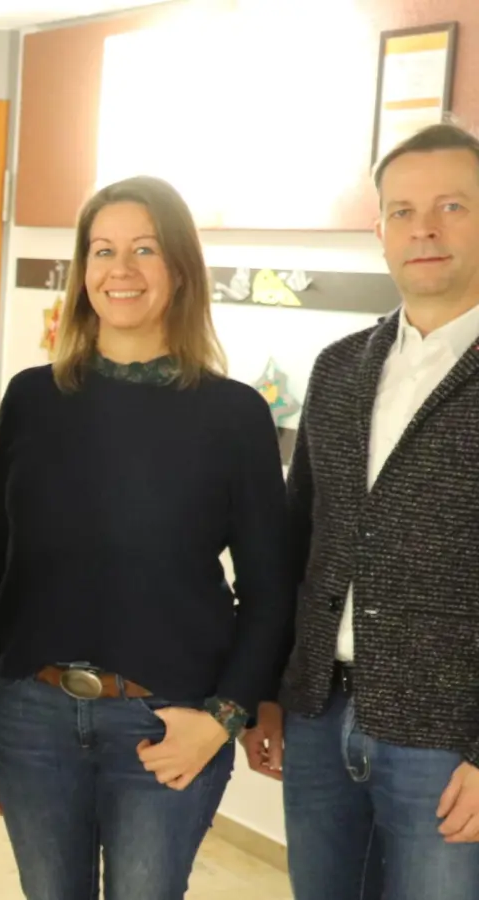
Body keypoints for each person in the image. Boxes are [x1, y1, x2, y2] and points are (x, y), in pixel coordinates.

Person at [0, 175, 292, 900]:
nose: (122, 269)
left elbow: (271, 589)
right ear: (83, 271)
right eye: (103, 250)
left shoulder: (233, 415)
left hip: (168, 723)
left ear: (181, 268)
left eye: (145, 249)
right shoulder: (33, 398)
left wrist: (224, 717)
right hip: (33, 717)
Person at [241, 123, 479, 900]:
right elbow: (299, 541)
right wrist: (272, 686)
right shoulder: (341, 368)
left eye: (452, 206)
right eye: (403, 211)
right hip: (318, 716)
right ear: (380, 230)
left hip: (448, 740)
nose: (425, 229)